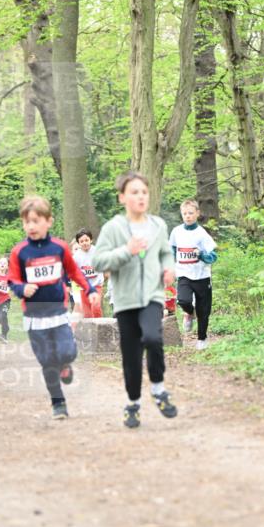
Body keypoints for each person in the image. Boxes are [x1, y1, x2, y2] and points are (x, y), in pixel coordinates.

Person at [93, 171, 178, 428]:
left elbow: (165, 253)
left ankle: (159, 389)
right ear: (122, 198)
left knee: (153, 337)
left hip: (152, 295)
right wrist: (126, 251)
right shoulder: (113, 228)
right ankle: (133, 404)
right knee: (130, 355)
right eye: (134, 192)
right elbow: (99, 261)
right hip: (125, 300)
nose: (140, 196)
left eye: (144, 192)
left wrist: (169, 268)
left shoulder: (158, 226)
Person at [8, 195, 100, 420]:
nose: (31, 226)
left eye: (36, 221)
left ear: (48, 221)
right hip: (33, 316)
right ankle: (58, 403)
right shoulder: (20, 252)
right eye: (26, 221)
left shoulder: (59, 247)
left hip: (58, 311)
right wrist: (22, 288)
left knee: (67, 351)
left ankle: (66, 365)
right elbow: (12, 279)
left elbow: (74, 272)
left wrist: (90, 289)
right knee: (46, 361)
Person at [168, 199, 217, 350]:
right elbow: (172, 251)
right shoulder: (176, 231)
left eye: (190, 213)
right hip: (184, 274)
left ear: (197, 213)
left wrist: (201, 254)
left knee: (204, 310)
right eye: (184, 213)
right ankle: (189, 313)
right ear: (181, 214)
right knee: (183, 300)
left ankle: (202, 339)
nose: (187, 216)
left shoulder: (202, 234)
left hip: (202, 276)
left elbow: (213, 256)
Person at [73, 229, 104, 318]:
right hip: (84, 287)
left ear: (91, 240)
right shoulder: (76, 256)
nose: (84, 243)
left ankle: (100, 326)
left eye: (86, 240)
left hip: (97, 285)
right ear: (78, 243)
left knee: (95, 307)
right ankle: (90, 330)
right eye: (81, 241)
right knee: (87, 312)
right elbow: (74, 271)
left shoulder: (97, 251)